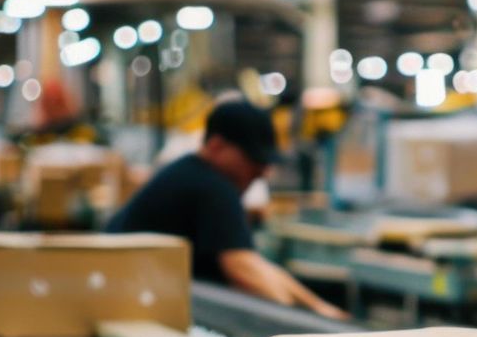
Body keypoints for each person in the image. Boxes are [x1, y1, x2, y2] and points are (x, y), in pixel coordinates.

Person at [107, 101, 347, 320]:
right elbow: (244, 271)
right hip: (128, 309)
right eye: (253, 159)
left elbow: (253, 262)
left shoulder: (189, 173)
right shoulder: (211, 185)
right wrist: (299, 325)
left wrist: (320, 309)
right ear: (216, 146)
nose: (263, 171)